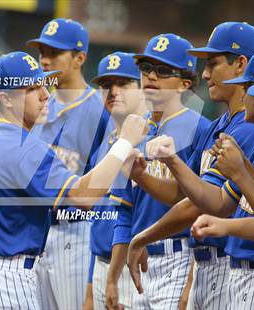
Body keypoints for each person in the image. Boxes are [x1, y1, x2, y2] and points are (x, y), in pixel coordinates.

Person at [0, 51, 148, 309]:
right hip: (5, 282)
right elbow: (84, 196)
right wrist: (124, 142)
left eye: (43, 84)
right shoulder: (25, 145)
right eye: (31, 88)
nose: (44, 95)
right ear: (6, 99)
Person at [125, 23, 254, 309]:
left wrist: (142, 237)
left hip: (233, 264)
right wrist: (141, 176)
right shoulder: (218, 126)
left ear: (241, 64)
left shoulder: (248, 130)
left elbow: (202, 205)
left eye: (213, 63)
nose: (205, 74)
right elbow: (184, 193)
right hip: (206, 264)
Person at [106, 34, 210, 310]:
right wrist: (113, 277)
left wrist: (190, 277)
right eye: (146, 68)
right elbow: (126, 209)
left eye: (163, 71)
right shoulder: (134, 130)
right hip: (139, 259)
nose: (151, 75)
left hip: (180, 254)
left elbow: (200, 203)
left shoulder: (202, 128)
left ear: (185, 83)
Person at [26, 18, 112, 310]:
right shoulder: (35, 106)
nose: (45, 60)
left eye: (54, 53)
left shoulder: (99, 111)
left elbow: (106, 187)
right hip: (33, 235)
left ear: (79, 58)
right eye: (42, 53)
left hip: (75, 235)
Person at [85, 51, 149, 310]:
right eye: (105, 85)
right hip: (102, 267)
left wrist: (113, 278)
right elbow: (98, 219)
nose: (113, 92)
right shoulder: (108, 140)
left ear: (143, 87)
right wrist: (91, 285)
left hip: (132, 269)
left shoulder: (152, 140)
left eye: (123, 84)